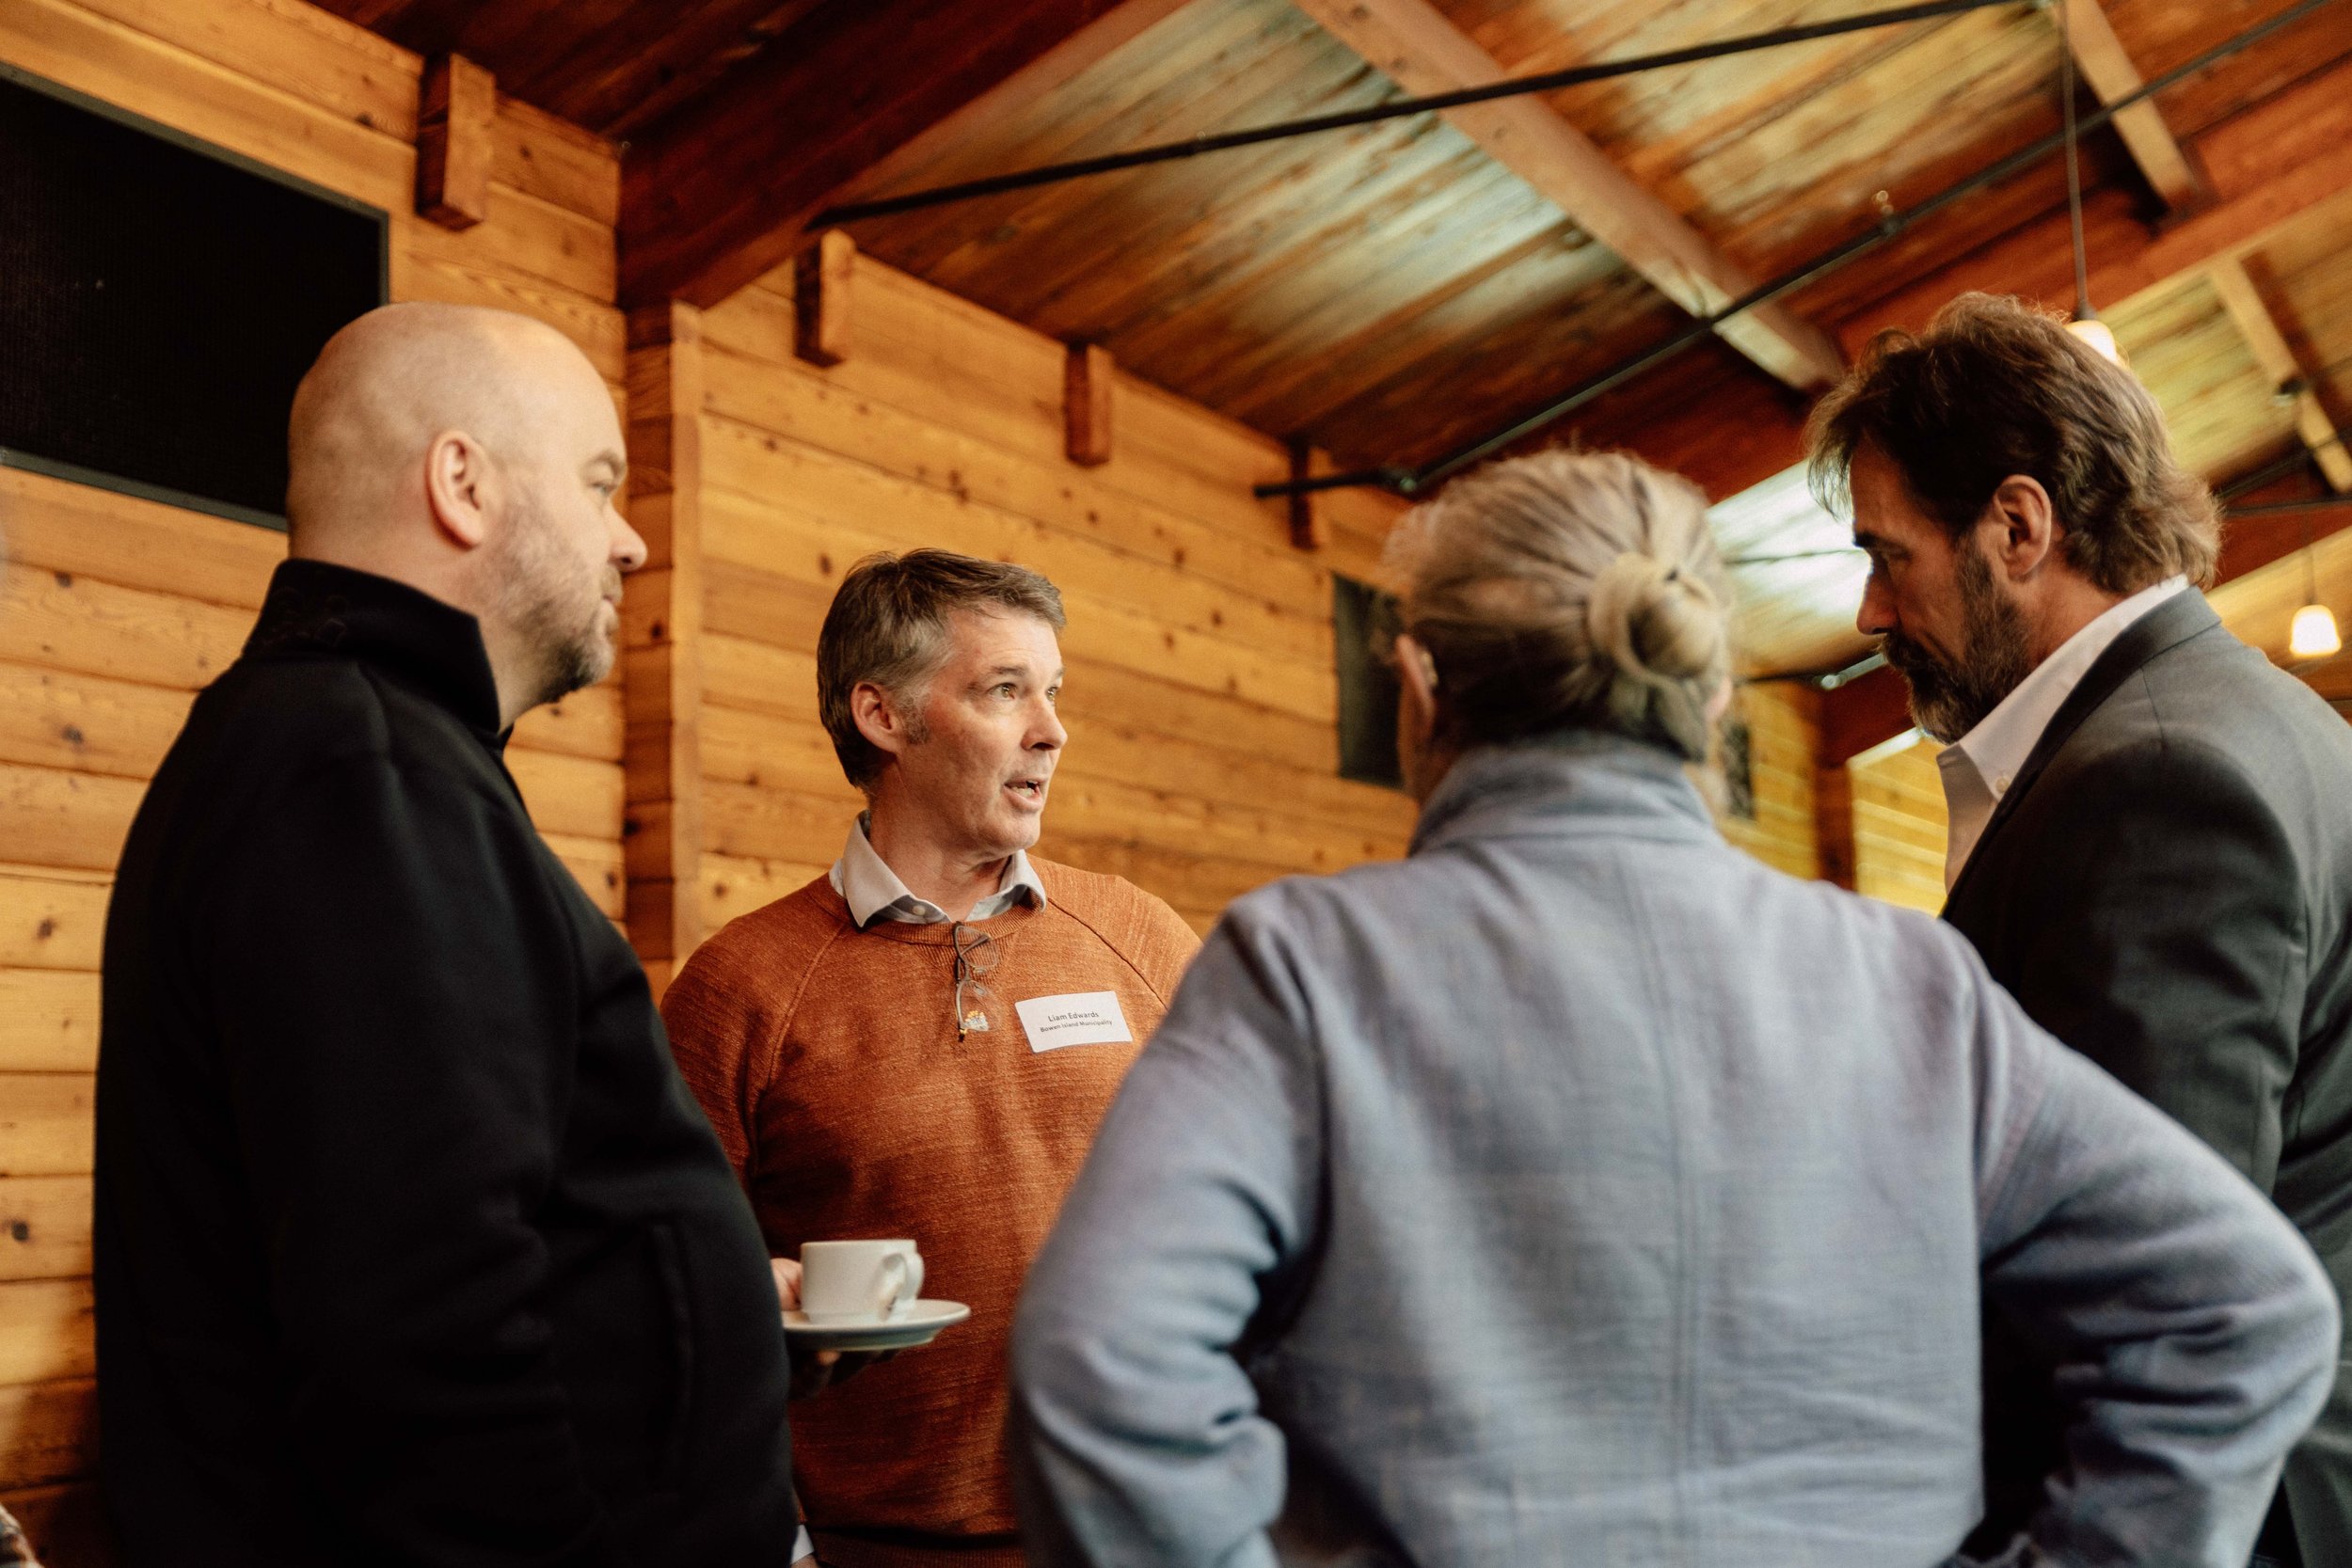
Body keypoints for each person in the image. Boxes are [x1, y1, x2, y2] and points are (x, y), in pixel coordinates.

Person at [1006, 448, 2341, 1568]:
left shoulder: (1305, 966)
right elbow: (2245, 1313)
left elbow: (1097, 1368)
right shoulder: (1909, 981)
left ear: (1419, 693)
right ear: (1708, 704)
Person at [94, 303, 798, 1564]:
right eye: (599, 482)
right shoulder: (356, 768)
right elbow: (421, 1319)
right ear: (462, 482)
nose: (632, 539)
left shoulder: (359, 748)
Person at [1809, 293, 2352, 1566]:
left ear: (2016, 524)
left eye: (1887, 554)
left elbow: (2143, 1286)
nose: (1868, 614)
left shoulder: (2153, 780)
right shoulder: (2262, 720)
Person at [660, 549, 1200, 1568]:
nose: (1053, 728)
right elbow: (670, 1296)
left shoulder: (1142, 935)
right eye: (1006, 690)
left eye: (1053, 691)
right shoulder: (743, 985)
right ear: (883, 715)